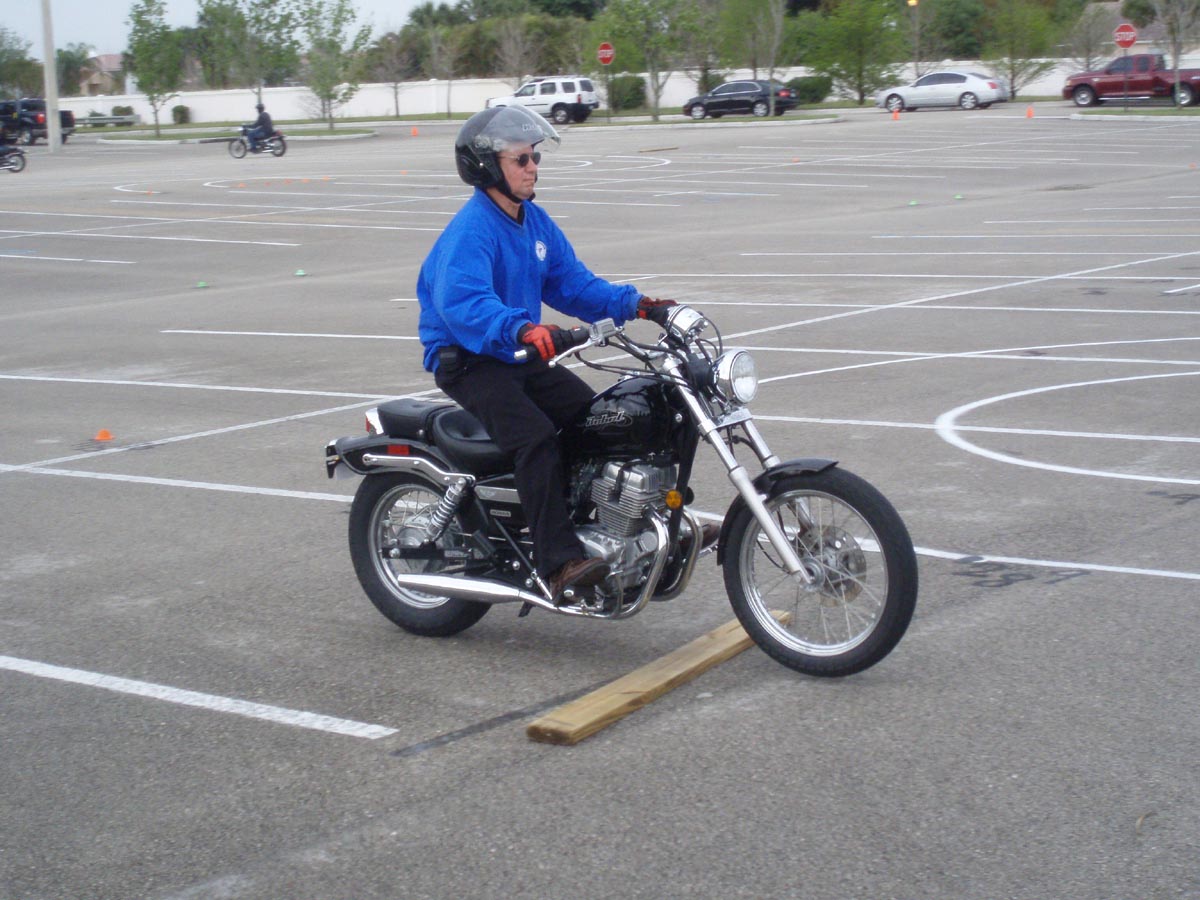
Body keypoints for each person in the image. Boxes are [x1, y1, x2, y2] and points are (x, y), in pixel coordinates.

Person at [416, 105, 683, 602]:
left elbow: (572, 284)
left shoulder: (532, 221)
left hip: (518, 353)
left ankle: (607, 531)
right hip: (469, 360)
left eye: (535, 157)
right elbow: (464, 304)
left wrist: (638, 304)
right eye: (521, 159)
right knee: (535, 437)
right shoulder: (472, 231)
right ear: (487, 166)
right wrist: (521, 328)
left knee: (598, 421)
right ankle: (557, 563)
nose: (533, 168)